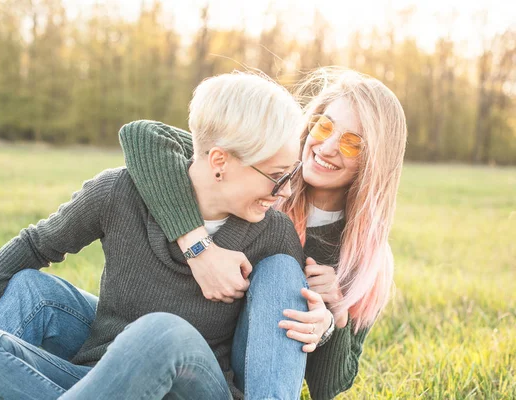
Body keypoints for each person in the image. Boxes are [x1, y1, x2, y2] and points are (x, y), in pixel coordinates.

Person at [0, 71, 333, 400]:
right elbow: (34, 245)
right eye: (277, 177)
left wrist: (326, 321)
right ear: (220, 161)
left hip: (193, 387)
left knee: (160, 332)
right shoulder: (119, 193)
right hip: (97, 379)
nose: (284, 190)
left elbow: (288, 331)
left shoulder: (271, 232)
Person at [116, 66, 408, 399]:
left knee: (281, 271)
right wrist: (198, 246)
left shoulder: (362, 254)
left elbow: (329, 388)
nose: (327, 147)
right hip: (180, 344)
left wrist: (333, 319)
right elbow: (143, 136)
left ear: (374, 161)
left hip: (247, 375)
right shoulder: (258, 171)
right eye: (324, 126)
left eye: (352, 144)